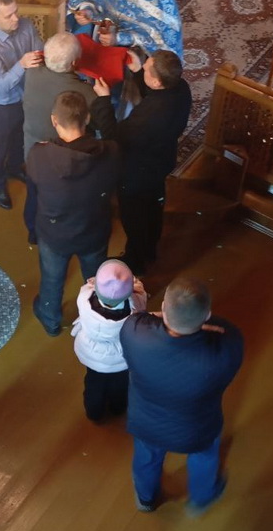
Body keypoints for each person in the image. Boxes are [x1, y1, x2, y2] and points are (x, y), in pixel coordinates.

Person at [120, 277, 244, 513]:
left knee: (146, 459)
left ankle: (146, 498)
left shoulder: (134, 333)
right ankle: (202, 497)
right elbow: (228, 332)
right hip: (197, 429)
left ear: (163, 308)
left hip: (145, 423)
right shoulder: (226, 352)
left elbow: (141, 317)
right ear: (207, 315)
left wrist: (168, 316)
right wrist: (201, 325)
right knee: (204, 457)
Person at [26, 91, 118, 335]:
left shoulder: (38, 155)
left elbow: (33, 195)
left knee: (52, 279)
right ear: (87, 118)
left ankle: (50, 319)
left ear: (54, 120)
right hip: (94, 230)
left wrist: (32, 229)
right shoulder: (110, 152)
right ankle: (98, 317)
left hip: (54, 233)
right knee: (95, 278)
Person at [91, 48, 191, 274]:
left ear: (156, 81)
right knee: (154, 209)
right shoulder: (181, 88)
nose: (143, 66)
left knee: (134, 218)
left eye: (146, 69)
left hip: (136, 174)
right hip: (161, 162)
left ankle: (135, 261)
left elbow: (113, 137)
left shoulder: (148, 116)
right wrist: (138, 72)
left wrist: (104, 100)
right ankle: (150, 250)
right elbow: (155, 93)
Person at [22, 32, 95, 241]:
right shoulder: (85, 94)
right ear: (74, 63)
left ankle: (33, 232)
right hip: (63, 159)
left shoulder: (32, 73)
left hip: (31, 150)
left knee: (33, 193)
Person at [0, 0, 43, 209]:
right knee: (0, 144)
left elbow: (39, 48)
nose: (16, 19)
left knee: (20, 137)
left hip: (26, 95)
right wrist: (22, 64)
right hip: (1, 105)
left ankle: (14, 168)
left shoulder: (26, 26)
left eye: (16, 12)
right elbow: (3, 85)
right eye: (8, 16)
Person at [71, 259, 146, 422]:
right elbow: (141, 296)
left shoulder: (83, 299)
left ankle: (93, 412)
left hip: (92, 356)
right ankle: (118, 407)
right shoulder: (135, 307)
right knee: (120, 385)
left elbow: (88, 286)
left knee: (93, 384)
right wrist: (134, 284)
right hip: (121, 358)